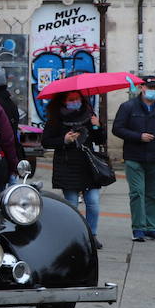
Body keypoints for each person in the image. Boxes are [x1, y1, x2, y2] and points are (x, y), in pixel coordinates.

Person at [113, 75, 155, 242]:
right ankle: (138, 229)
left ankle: (151, 228)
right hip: (134, 157)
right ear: (142, 87)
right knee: (137, 193)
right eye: (150, 87)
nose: (153, 91)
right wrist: (138, 136)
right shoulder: (128, 107)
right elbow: (117, 129)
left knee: (153, 195)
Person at [42, 91, 107, 249]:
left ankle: (92, 235)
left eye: (77, 99)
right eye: (71, 100)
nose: (75, 102)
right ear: (64, 101)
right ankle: (74, 235)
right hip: (67, 166)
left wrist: (97, 125)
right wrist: (64, 140)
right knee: (71, 204)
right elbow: (46, 141)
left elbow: (100, 139)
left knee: (93, 202)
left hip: (88, 165)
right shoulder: (56, 118)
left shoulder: (89, 114)